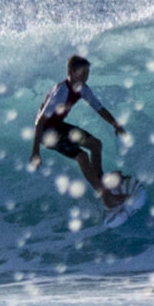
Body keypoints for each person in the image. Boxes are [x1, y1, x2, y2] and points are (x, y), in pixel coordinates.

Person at [29, 53, 129, 209]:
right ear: (72, 73)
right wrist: (35, 152)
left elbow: (99, 108)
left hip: (57, 126)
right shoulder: (61, 91)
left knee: (95, 144)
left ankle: (100, 179)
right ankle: (107, 198)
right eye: (83, 73)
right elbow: (40, 121)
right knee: (82, 156)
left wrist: (115, 124)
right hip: (46, 133)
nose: (86, 76)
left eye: (88, 72)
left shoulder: (83, 89)